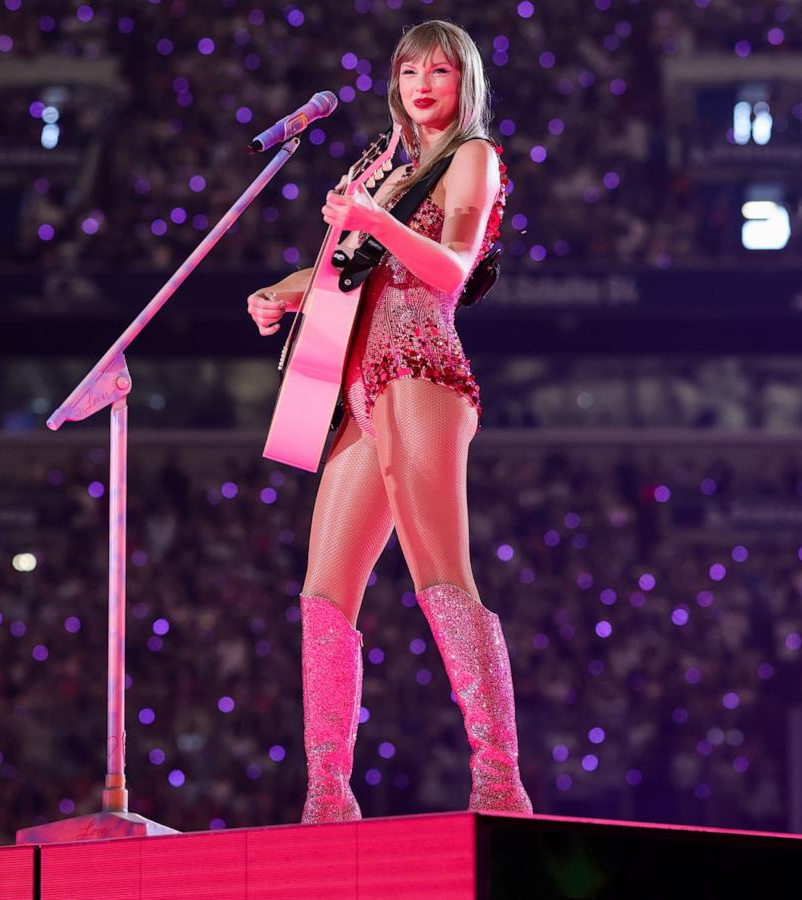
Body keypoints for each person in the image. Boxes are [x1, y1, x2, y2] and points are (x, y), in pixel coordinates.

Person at [246, 20, 530, 822]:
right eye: (411, 71)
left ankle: (499, 782)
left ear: (464, 82)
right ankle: (326, 795)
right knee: (323, 592)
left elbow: (448, 266)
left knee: (443, 575)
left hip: (422, 370)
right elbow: (350, 273)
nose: (424, 84)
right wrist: (284, 291)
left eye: (441, 71)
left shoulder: (472, 156)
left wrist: (372, 220)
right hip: (360, 385)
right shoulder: (392, 170)